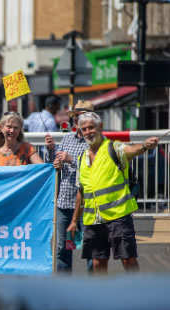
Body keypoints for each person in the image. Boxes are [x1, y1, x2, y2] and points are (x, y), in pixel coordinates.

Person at [67, 112, 159, 273]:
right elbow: (81, 191)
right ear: (80, 132)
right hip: (93, 221)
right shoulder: (82, 158)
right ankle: (105, 296)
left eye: (91, 127)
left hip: (118, 216)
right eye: (84, 129)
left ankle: (138, 294)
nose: (88, 131)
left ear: (100, 127)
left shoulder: (113, 148)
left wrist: (144, 146)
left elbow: (130, 150)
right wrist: (74, 220)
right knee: (97, 263)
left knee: (128, 259)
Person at [44, 101, 94, 273]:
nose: (76, 120)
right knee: (61, 249)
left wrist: (70, 159)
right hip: (64, 201)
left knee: (90, 248)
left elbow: (94, 167)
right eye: (75, 117)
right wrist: (52, 152)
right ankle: (65, 291)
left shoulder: (95, 142)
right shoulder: (67, 138)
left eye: (80, 116)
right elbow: (55, 164)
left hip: (86, 203)